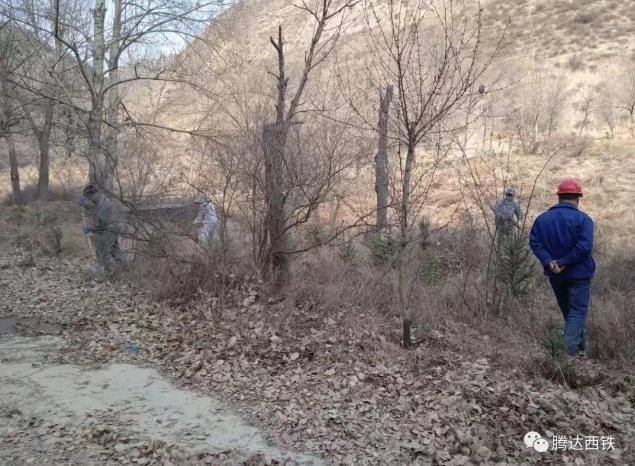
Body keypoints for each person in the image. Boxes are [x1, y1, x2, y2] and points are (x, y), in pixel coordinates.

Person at [529, 179, 595, 358]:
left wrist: (549, 261)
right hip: (579, 274)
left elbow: (535, 242)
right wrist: (564, 262)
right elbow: (584, 247)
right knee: (577, 313)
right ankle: (565, 355)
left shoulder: (542, 219)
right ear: (578, 198)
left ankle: (579, 351)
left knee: (569, 313)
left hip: (555, 275)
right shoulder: (584, 220)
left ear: (559, 197)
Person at [79, 184, 125, 273]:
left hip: (109, 230)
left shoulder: (103, 205)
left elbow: (101, 223)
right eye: (88, 198)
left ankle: (109, 273)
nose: (89, 199)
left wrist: (90, 229)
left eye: (89, 197)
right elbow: (95, 208)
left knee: (104, 252)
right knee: (115, 250)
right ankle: (125, 268)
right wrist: (85, 205)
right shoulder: (101, 199)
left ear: (95, 194)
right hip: (113, 228)